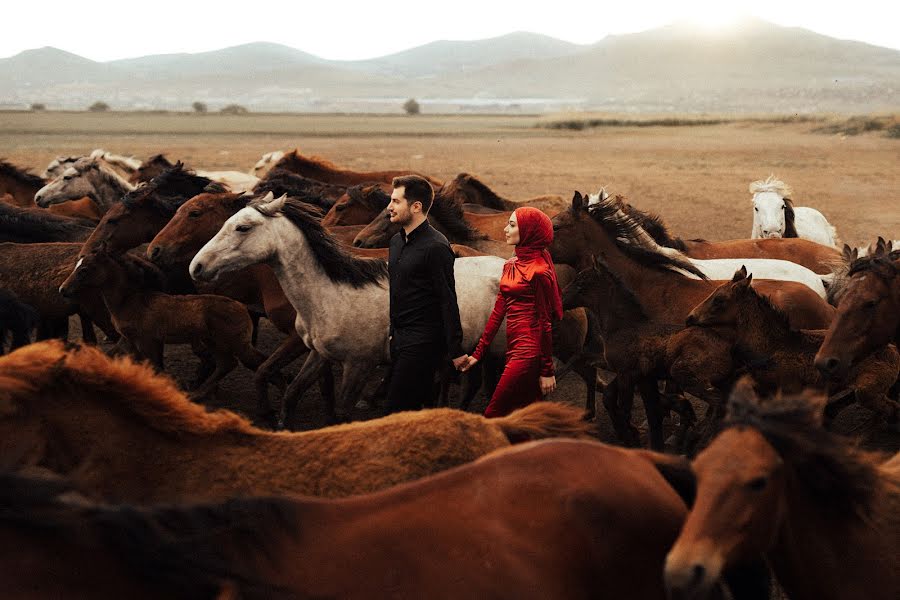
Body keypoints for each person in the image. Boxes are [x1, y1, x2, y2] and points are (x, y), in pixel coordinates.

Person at [460, 207, 563, 417]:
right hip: (512, 348)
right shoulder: (510, 265)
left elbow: (545, 323)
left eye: (513, 225)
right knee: (526, 415)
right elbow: (498, 313)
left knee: (492, 413)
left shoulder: (540, 272)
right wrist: (477, 354)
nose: (506, 229)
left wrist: (546, 371)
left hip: (528, 352)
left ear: (529, 231)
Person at [385, 174, 468, 413]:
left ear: (416, 206)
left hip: (424, 343)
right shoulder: (395, 242)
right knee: (418, 410)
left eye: (396, 201)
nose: (389, 207)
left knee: (394, 411)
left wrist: (455, 349)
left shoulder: (436, 247)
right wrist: (393, 335)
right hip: (399, 340)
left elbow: (447, 299)